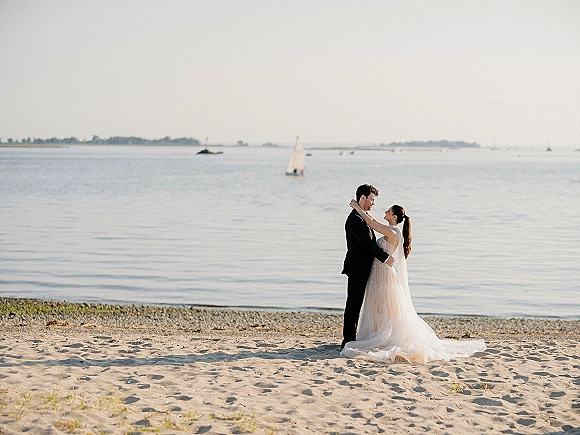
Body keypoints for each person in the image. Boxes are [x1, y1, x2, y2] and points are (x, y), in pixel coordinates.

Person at [341, 200, 486, 363]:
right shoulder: (391, 230)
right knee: (379, 307)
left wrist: (357, 207)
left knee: (385, 308)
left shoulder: (393, 232)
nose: (385, 211)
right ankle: (375, 333)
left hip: (382, 274)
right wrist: (364, 211)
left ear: (394, 216)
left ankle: (383, 337)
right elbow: (372, 221)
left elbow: (369, 222)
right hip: (378, 273)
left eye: (388, 211)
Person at [341, 184, 394, 349]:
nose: (373, 203)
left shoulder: (362, 217)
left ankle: (356, 337)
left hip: (366, 268)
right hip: (357, 268)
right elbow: (366, 245)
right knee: (354, 304)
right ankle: (348, 339)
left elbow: (372, 229)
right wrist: (385, 258)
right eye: (371, 199)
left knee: (359, 304)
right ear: (362, 198)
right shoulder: (355, 220)